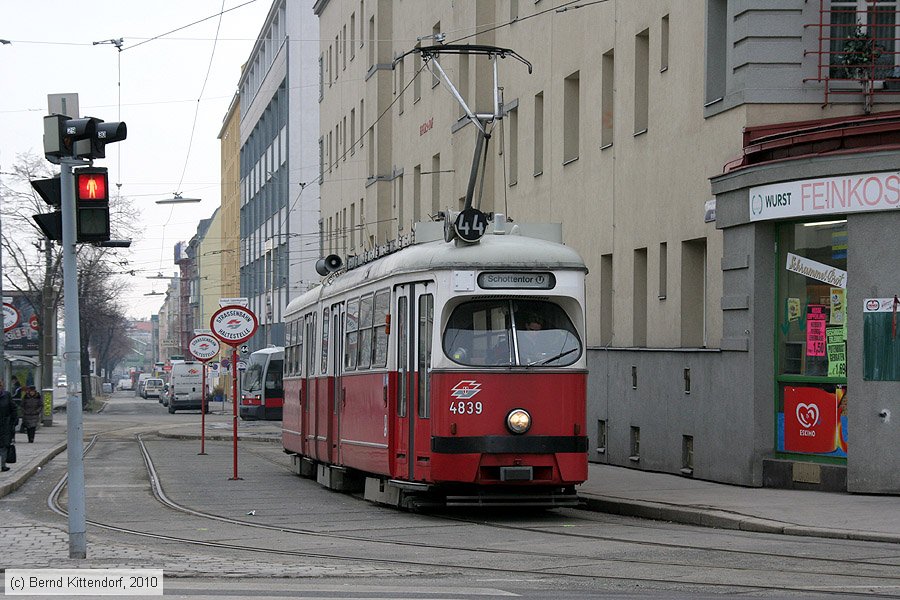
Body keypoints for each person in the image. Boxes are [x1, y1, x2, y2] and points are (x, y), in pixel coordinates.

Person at [0, 381, 15, 472]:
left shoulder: (7, 395)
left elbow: (13, 408)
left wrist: (13, 421)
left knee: (4, 446)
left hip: (5, 425)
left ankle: (3, 465)